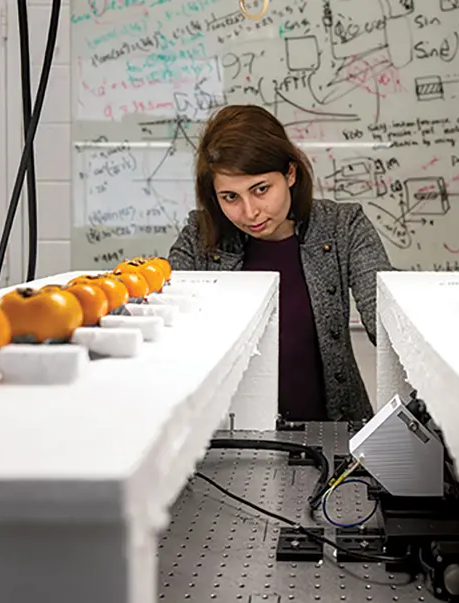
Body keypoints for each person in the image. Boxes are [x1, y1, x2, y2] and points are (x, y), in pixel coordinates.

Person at [168, 105, 394, 422]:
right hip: (229, 438)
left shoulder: (344, 226)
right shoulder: (198, 236)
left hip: (336, 434)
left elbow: (386, 318)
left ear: (290, 173)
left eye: (260, 190)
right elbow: (165, 327)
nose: (250, 212)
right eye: (230, 197)